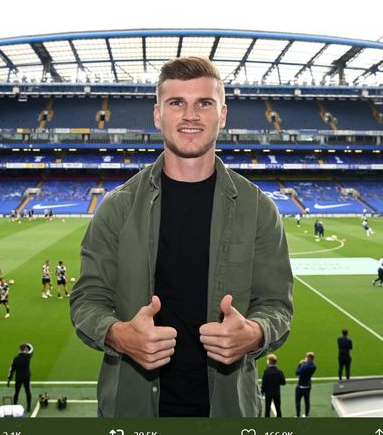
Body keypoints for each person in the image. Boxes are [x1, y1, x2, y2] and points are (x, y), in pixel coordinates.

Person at [70, 56, 293, 417]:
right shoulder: (118, 208)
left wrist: (254, 331)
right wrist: (119, 334)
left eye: (204, 103)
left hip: (229, 411)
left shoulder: (259, 210)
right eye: (177, 103)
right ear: (158, 115)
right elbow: (86, 300)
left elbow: (277, 306)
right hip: (133, 410)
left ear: (222, 114)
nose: (191, 115)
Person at [7, 342, 34, 410]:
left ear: (19, 348)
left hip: (18, 377)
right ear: (25, 348)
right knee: (28, 391)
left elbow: (12, 369)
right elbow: (31, 349)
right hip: (26, 376)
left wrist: (9, 379)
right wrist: (27, 344)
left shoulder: (16, 358)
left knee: (16, 392)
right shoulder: (28, 356)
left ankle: (15, 406)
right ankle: (28, 407)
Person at [295, 352, 316, 418]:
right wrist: (305, 363)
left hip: (300, 386)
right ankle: (306, 415)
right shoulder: (314, 366)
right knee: (307, 401)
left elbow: (297, 373)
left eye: (307, 357)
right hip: (308, 386)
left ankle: (298, 415)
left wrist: (299, 365)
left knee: (298, 401)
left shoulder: (304, 366)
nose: (305, 358)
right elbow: (309, 366)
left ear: (309, 358)